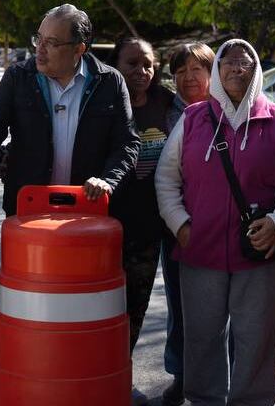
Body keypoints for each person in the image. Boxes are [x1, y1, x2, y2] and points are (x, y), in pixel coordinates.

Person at [155, 39, 275, 406]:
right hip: (200, 249)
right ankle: (204, 399)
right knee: (202, 336)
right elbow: (166, 177)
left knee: (257, 337)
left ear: (256, 69)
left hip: (261, 254)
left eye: (245, 63)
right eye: (229, 63)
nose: (236, 69)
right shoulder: (193, 118)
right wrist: (179, 224)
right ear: (217, 70)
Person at [0, 4, 139, 217]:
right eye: (39, 39)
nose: (40, 49)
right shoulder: (19, 76)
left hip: (87, 210)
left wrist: (108, 180)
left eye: (52, 43)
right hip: (30, 209)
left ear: (79, 49)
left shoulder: (109, 82)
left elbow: (127, 143)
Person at [108, 37, 177, 406]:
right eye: (132, 63)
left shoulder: (166, 103)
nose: (141, 71)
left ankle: (121, 379)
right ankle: (98, 379)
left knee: (135, 310)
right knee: (103, 310)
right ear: (116, 64)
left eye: (148, 63)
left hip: (149, 229)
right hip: (106, 228)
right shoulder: (103, 104)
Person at [158, 42, 215, 406]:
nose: (188, 78)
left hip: (218, 225)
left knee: (216, 310)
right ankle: (181, 376)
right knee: (179, 306)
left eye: (197, 69)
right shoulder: (165, 112)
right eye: (180, 71)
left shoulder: (226, 111)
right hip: (174, 222)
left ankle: (213, 381)